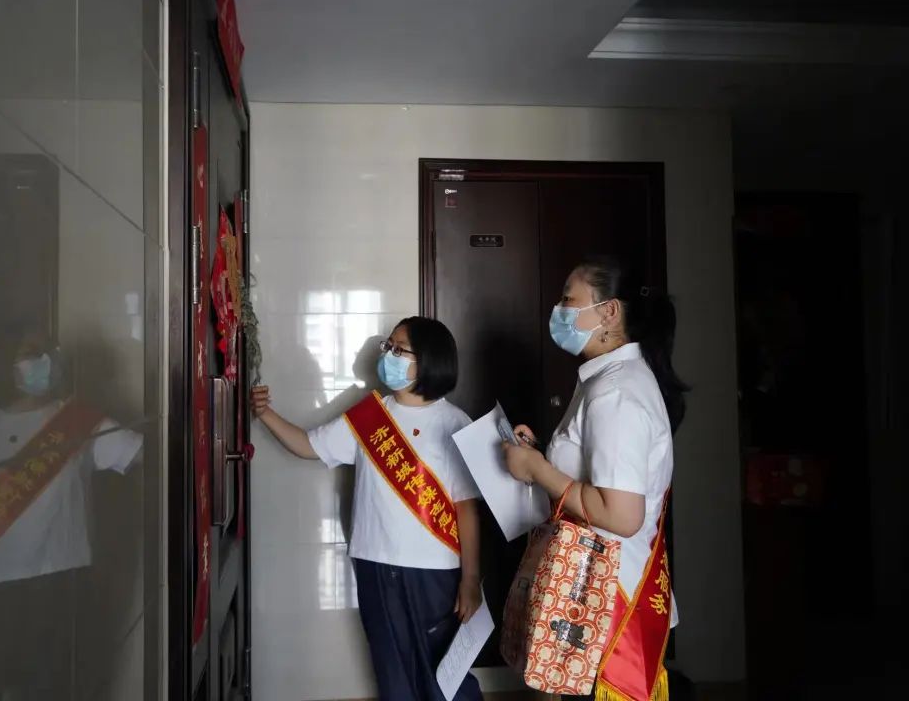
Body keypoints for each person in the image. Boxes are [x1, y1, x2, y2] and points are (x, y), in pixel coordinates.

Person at [251, 317, 484, 701]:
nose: (389, 355)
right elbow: (309, 445)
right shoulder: (370, 415)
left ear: (428, 359)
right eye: (387, 346)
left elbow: (466, 509)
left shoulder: (455, 423)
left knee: (445, 674)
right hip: (374, 562)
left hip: (434, 571)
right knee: (391, 671)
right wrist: (265, 414)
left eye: (399, 349)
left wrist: (471, 579)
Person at [503, 256, 687, 701]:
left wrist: (537, 470)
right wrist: (539, 454)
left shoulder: (616, 391)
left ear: (609, 311)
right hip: (594, 589)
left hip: (609, 599)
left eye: (569, 300)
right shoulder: (606, 380)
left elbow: (620, 515)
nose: (558, 310)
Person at [0, 328, 143, 700]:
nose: (44, 361)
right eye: (31, 353)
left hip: (62, 583)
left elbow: (142, 453)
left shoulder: (77, 419)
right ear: (4, 363)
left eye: (48, 351)